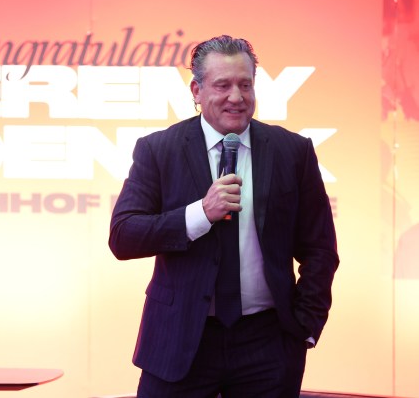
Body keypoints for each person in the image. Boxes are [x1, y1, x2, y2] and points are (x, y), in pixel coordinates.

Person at [108, 35, 339, 398]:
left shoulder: (292, 151)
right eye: (223, 85)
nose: (237, 96)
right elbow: (124, 236)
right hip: (180, 338)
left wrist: (304, 328)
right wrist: (200, 213)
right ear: (196, 91)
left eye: (245, 84)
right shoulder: (158, 150)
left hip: (268, 342)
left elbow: (321, 248)